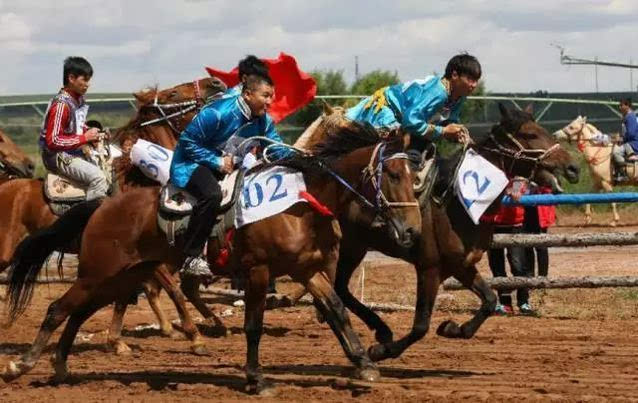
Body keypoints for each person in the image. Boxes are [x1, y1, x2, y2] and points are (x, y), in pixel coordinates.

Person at [170, 71, 288, 275]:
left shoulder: (264, 121)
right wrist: (216, 161)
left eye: (272, 97)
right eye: (265, 96)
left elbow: (276, 148)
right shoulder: (217, 112)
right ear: (248, 94)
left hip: (229, 167)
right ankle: (191, 256)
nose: (270, 102)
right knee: (212, 194)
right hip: (190, 164)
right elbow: (187, 142)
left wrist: (301, 157)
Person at [345, 53, 481, 155]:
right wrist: (444, 131)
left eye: (476, 80)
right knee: (389, 157)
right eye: (469, 79)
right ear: (455, 75)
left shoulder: (459, 96)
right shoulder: (438, 92)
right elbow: (410, 121)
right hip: (387, 110)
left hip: (403, 122)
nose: (474, 85)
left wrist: (456, 133)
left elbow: (448, 121)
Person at [39, 56, 108, 201]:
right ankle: (90, 220)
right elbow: (53, 140)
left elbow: (74, 127)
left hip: (71, 150)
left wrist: (91, 133)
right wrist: (85, 138)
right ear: (71, 78)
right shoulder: (61, 105)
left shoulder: (77, 100)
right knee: (99, 178)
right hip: (56, 155)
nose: (88, 84)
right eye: (85, 79)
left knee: (110, 168)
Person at [484, 203, 535, 315]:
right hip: (492, 223)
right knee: (497, 267)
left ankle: (523, 302)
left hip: (514, 224)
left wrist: (515, 189)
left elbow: (520, 186)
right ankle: (505, 303)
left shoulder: (514, 184)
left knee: (518, 265)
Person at [523, 185, 555, 277]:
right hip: (524, 211)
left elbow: (551, 189)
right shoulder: (519, 174)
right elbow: (515, 186)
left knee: (541, 246)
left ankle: (542, 277)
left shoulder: (543, 174)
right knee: (526, 245)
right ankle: (530, 275)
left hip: (540, 212)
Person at [612, 98, 638, 182]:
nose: (619, 107)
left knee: (616, 152)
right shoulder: (627, 116)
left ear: (627, 106)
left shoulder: (630, 117)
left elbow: (631, 133)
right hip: (630, 142)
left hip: (633, 143)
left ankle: (623, 174)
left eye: (621, 105)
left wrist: (622, 139)